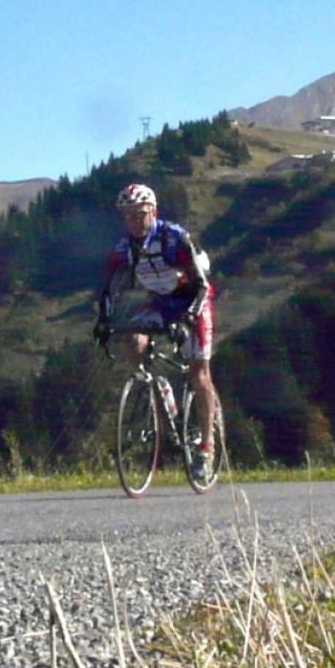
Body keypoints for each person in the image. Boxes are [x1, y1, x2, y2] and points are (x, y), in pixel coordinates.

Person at [94, 182, 217, 479]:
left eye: (140, 214)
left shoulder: (175, 238)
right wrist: (104, 320)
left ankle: (206, 448)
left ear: (153, 211)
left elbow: (201, 286)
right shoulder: (123, 250)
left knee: (198, 372)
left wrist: (188, 316)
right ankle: (155, 385)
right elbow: (108, 290)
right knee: (132, 341)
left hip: (193, 301)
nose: (134, 222)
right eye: (128, 216)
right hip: (161, 302)